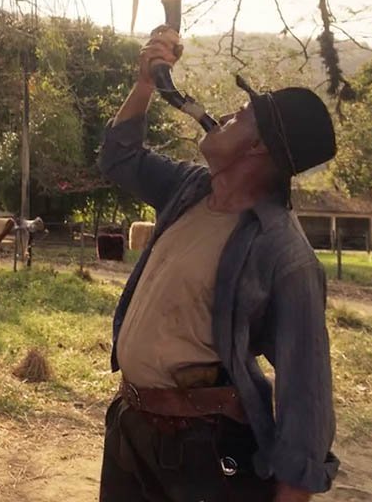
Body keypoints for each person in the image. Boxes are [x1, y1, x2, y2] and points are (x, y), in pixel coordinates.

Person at [98, 26, 339, 502]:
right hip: (130, 425)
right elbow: (118, 158)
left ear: (257, 148)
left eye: (242, 115)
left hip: (203, 449)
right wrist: (145, 83)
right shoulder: (189, 189)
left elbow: (305, 392)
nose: (225, 115)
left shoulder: (285, 255)